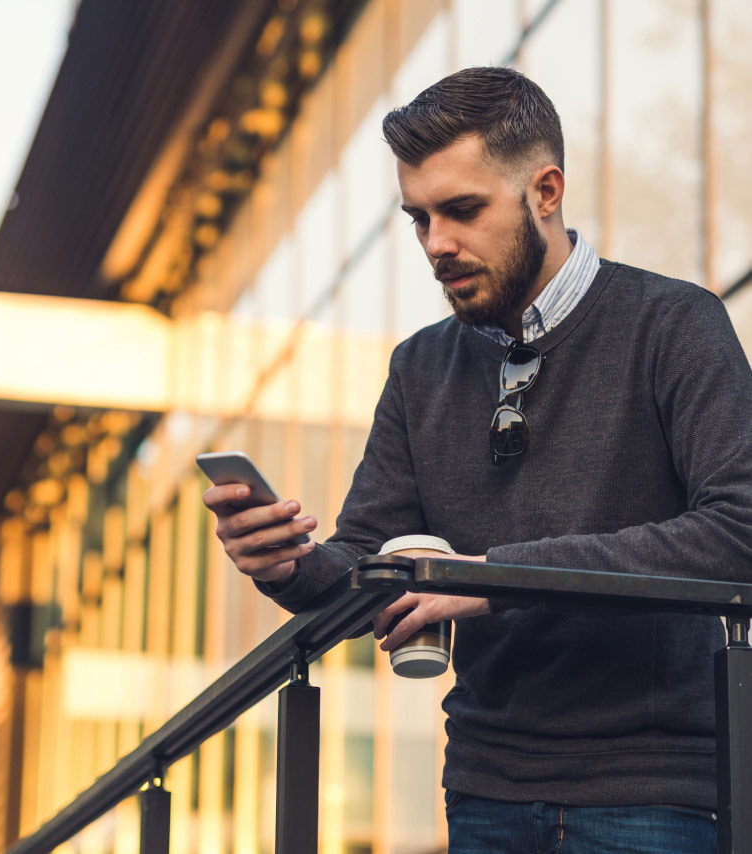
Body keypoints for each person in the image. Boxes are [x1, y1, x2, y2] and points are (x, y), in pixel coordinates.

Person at [203, 67, 752, 852]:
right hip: (484, 792)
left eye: (462, 211)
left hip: (655, 790)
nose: (437, 244)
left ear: (547, 191)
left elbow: (740, 533)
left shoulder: (673, 325)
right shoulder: (420, 367)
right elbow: (369, 565)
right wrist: (285, 564)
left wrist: (492, 579)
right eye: (418, 218)